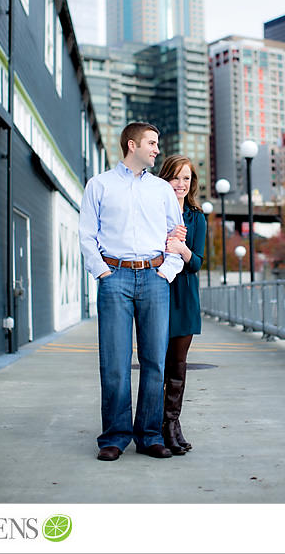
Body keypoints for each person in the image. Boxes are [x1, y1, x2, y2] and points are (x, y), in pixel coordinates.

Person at [80, 122, 186, 461]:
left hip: (154, 278)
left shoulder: (162, 190)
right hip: (116, 278)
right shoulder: (99, 185)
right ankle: (114, 436)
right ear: (132, 145)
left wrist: (166, 272)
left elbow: (176, 233)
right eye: (152, 143)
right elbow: (86, 236)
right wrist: (102, 273)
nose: (157, 149)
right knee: (114, 362)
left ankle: (150, 435)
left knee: (154, 361)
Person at [158, 155, 207, 455]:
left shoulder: (196, 217)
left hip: (184, 296)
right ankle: (154, 427)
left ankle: (171, 425)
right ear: (165, 179)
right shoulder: (153, 210)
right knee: (156, 365)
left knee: (177, 366)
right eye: (175, 177)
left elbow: (197, 263)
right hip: (157, 292)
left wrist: (181, 249)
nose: (180, 183)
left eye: (186, 178)